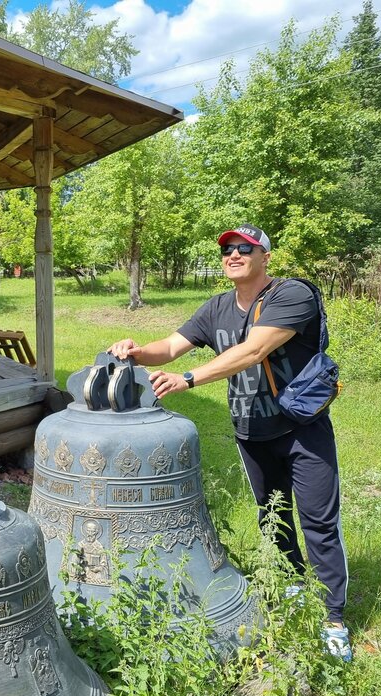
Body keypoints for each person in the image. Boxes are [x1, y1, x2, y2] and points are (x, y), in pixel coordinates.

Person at [108, 224, 351, 662]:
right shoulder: (217, 307)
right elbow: (169, 347)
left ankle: (333, 618)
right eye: (226, 250)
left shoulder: (291, 295)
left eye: (244, 248)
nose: (233, 255)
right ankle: (293, 586)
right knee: (272, 516)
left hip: (302, 430)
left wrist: (189, 379)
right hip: (251, 431)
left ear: (265, 256)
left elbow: (253, 351)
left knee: (318, 521)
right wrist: (136, 350)